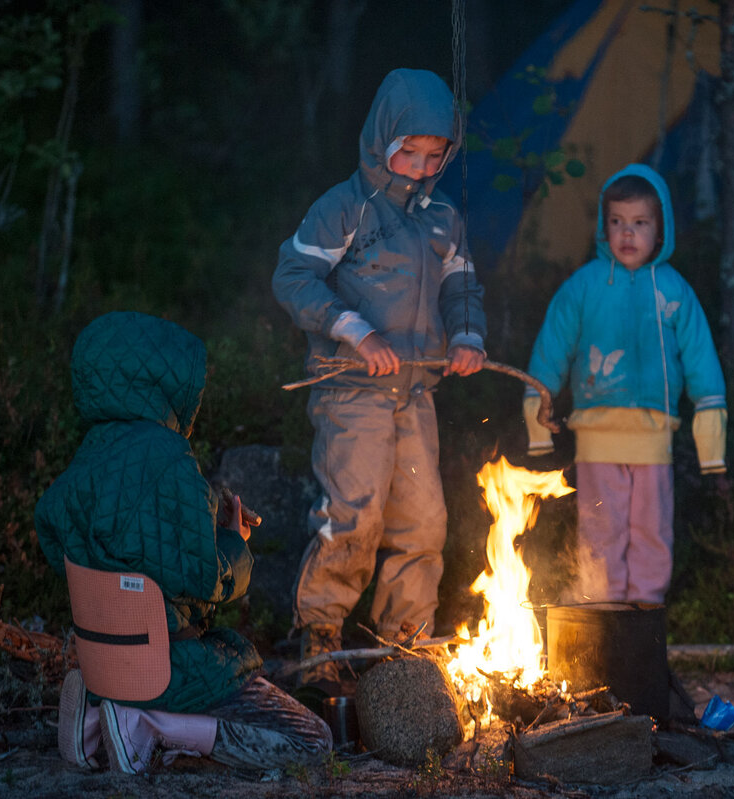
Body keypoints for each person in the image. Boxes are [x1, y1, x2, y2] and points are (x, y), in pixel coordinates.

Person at [35, 311, 331, 775]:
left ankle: (98, 717)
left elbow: (71, 539)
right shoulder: (169, 457)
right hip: (169, 667)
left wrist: (207, 520)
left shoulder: (89, 453)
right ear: (161, 381)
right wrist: (234, 542)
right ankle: (151, 725)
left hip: (108, 664)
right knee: (313, 740)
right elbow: (209, 580)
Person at [272, 68, 487, 692]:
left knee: (423, 521)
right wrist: (355, 330)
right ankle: (317, 635)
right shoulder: (344, 209)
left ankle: (406, 646)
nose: (420, 167)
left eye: (433, 155)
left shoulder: (443, 216)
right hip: (351, 392)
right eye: (408, 152)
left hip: (416, 391)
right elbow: (293, 277)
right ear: (380, 140)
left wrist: (467, 338)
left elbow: (461, 285)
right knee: (355, 512)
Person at [523, 164, 726, 605]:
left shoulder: (674, 292)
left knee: (651, 529)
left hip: (653, 438)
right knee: (601, 530)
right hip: (597, 436)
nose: (627, 234)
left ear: (661, 229)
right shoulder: (584, 287)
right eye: (616, 222)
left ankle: (645, 613)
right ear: (603, 226)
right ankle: (604, 612)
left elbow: (701, 361)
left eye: (639, 223)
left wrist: (712, 442)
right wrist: (538, 423)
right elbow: (550, 352)